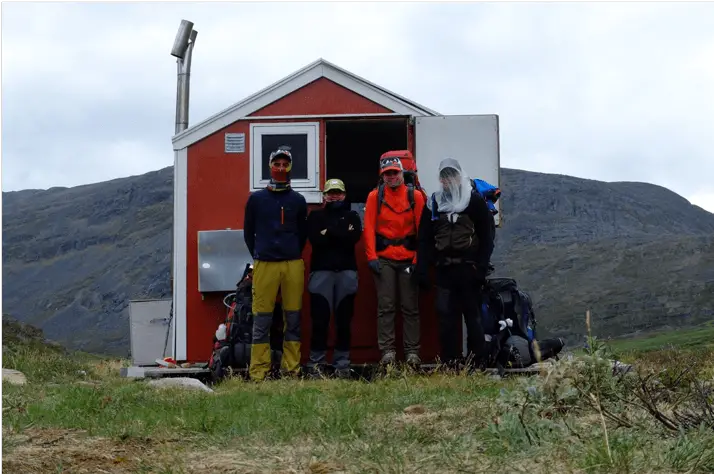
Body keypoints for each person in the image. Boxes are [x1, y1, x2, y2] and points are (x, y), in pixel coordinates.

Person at [416, 158, 495, 370]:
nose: (448, 179)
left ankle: (477, 363)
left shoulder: (474, 201)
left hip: (469, 269)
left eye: (452, 174)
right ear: (440, 179)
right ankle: (450, 362)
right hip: (443, 270)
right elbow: (423, 239)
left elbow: (487, 237)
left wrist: (481, 267)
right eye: (444, 176)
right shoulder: (433, 202)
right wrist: (422, 268)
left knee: (473, 316)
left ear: (460, 176)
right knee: (445, 318)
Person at [243, 145, 308, 381]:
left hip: (292, 263)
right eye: (277, 164)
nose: (281, 168)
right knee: (262, 318)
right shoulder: (256, 199)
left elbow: (303, 234)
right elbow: (248, 233)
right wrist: (260, 253)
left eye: (285, 164)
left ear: (290, 167)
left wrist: (291, 252)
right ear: (270, 166)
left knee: (293, 318)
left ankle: (291, 370)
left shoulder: (298, 200)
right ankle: (259, 372)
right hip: (264, 264)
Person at [363, 156, 426, 366]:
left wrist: (418, 258)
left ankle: (412, 352)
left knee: (410, 307)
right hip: (384, 259)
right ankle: (387, 352)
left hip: (408, 258)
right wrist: (371, 256)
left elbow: (422, 231)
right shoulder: (374, 196)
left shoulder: (415, 196)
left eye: (394, 173)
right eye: (387, 174)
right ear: (382, 176)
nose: (391, 177)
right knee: (386, 306)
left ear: (402, 173)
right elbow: (369, 228)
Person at [305, 178, 363, 379]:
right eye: (331, 192)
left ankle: (342, 365)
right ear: (324, 196)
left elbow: (353, 239)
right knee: (320, 320)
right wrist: (339, 232)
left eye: (338, 192)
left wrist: (328, 232)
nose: (335, 196)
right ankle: (316, 363)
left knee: (344, 321)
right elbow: (315, 240)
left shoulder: (353, 216)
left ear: (344, 195)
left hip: (347, 273)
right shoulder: (314, 216)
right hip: (321, 273)